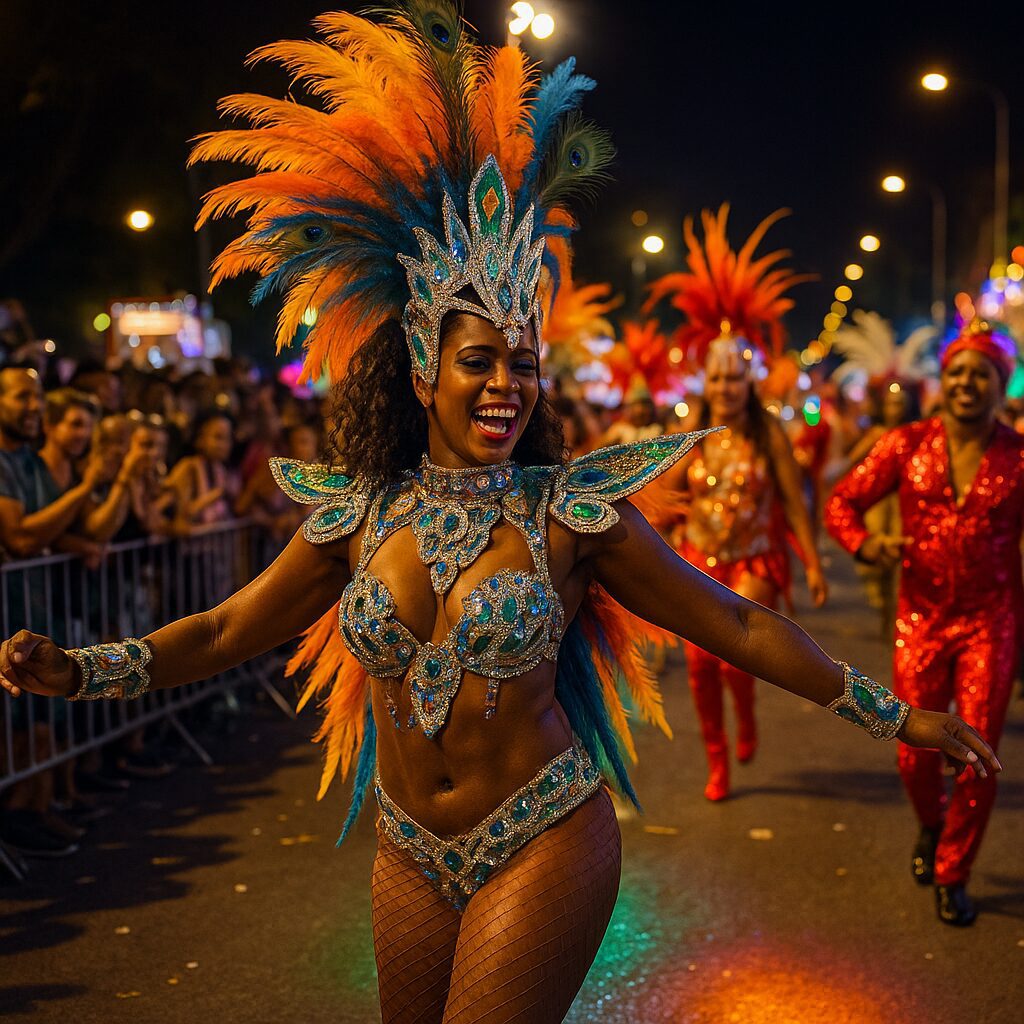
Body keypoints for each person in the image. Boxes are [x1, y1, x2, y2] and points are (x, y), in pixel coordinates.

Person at [0, 8, 1000, 1021]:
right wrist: (83, 673)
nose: (505, 386)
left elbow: (734, 620)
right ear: (422, 371)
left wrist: (892, 715)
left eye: (523, 365)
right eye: (479, 361)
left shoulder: (569, 515)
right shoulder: (355, 517)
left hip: (543, 834)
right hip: (406, 846)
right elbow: (224, 630)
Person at [826, 319, 1022, 928]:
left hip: (992, 622)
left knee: (976, 751)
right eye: (956, 372)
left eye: (980, 374)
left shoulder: (1018, 456)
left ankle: (954, 871)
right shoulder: (908, 443)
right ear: (942, 382)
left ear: (1000, 384)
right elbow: (842, 501)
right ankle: (932, 826)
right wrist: (865, 545)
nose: (965, 383)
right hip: (920, 620)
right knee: (914, 751)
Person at [645, 207, 828, 801]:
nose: (725, 389)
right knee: (701, 665)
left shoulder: (769, 436)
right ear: (708, 383)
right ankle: (717, 759)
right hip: (700, 556)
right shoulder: (692, 435)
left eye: (734, 380)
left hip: (754, 557)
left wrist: (813, 562)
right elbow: (664, 497)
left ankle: (745, 715)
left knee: (735, 657)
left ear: (749, 383)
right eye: (717, 380)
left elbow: (795, 503)